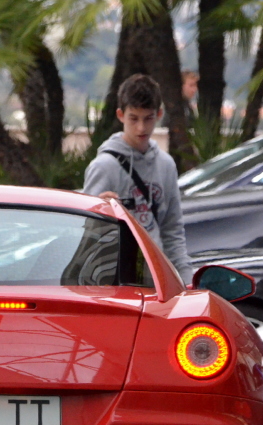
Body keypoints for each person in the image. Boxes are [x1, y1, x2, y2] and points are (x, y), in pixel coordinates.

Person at [82, 74, 193, 283]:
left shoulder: (166, 165)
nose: (141, 128)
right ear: (120, 115)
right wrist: (102, 216)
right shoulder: (104, 167)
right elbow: (85, 236)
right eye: (134, 118)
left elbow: (173, 231)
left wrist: (186, 281)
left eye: (148, 118)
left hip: (157, 282)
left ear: (159, 114)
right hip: (114, 281)